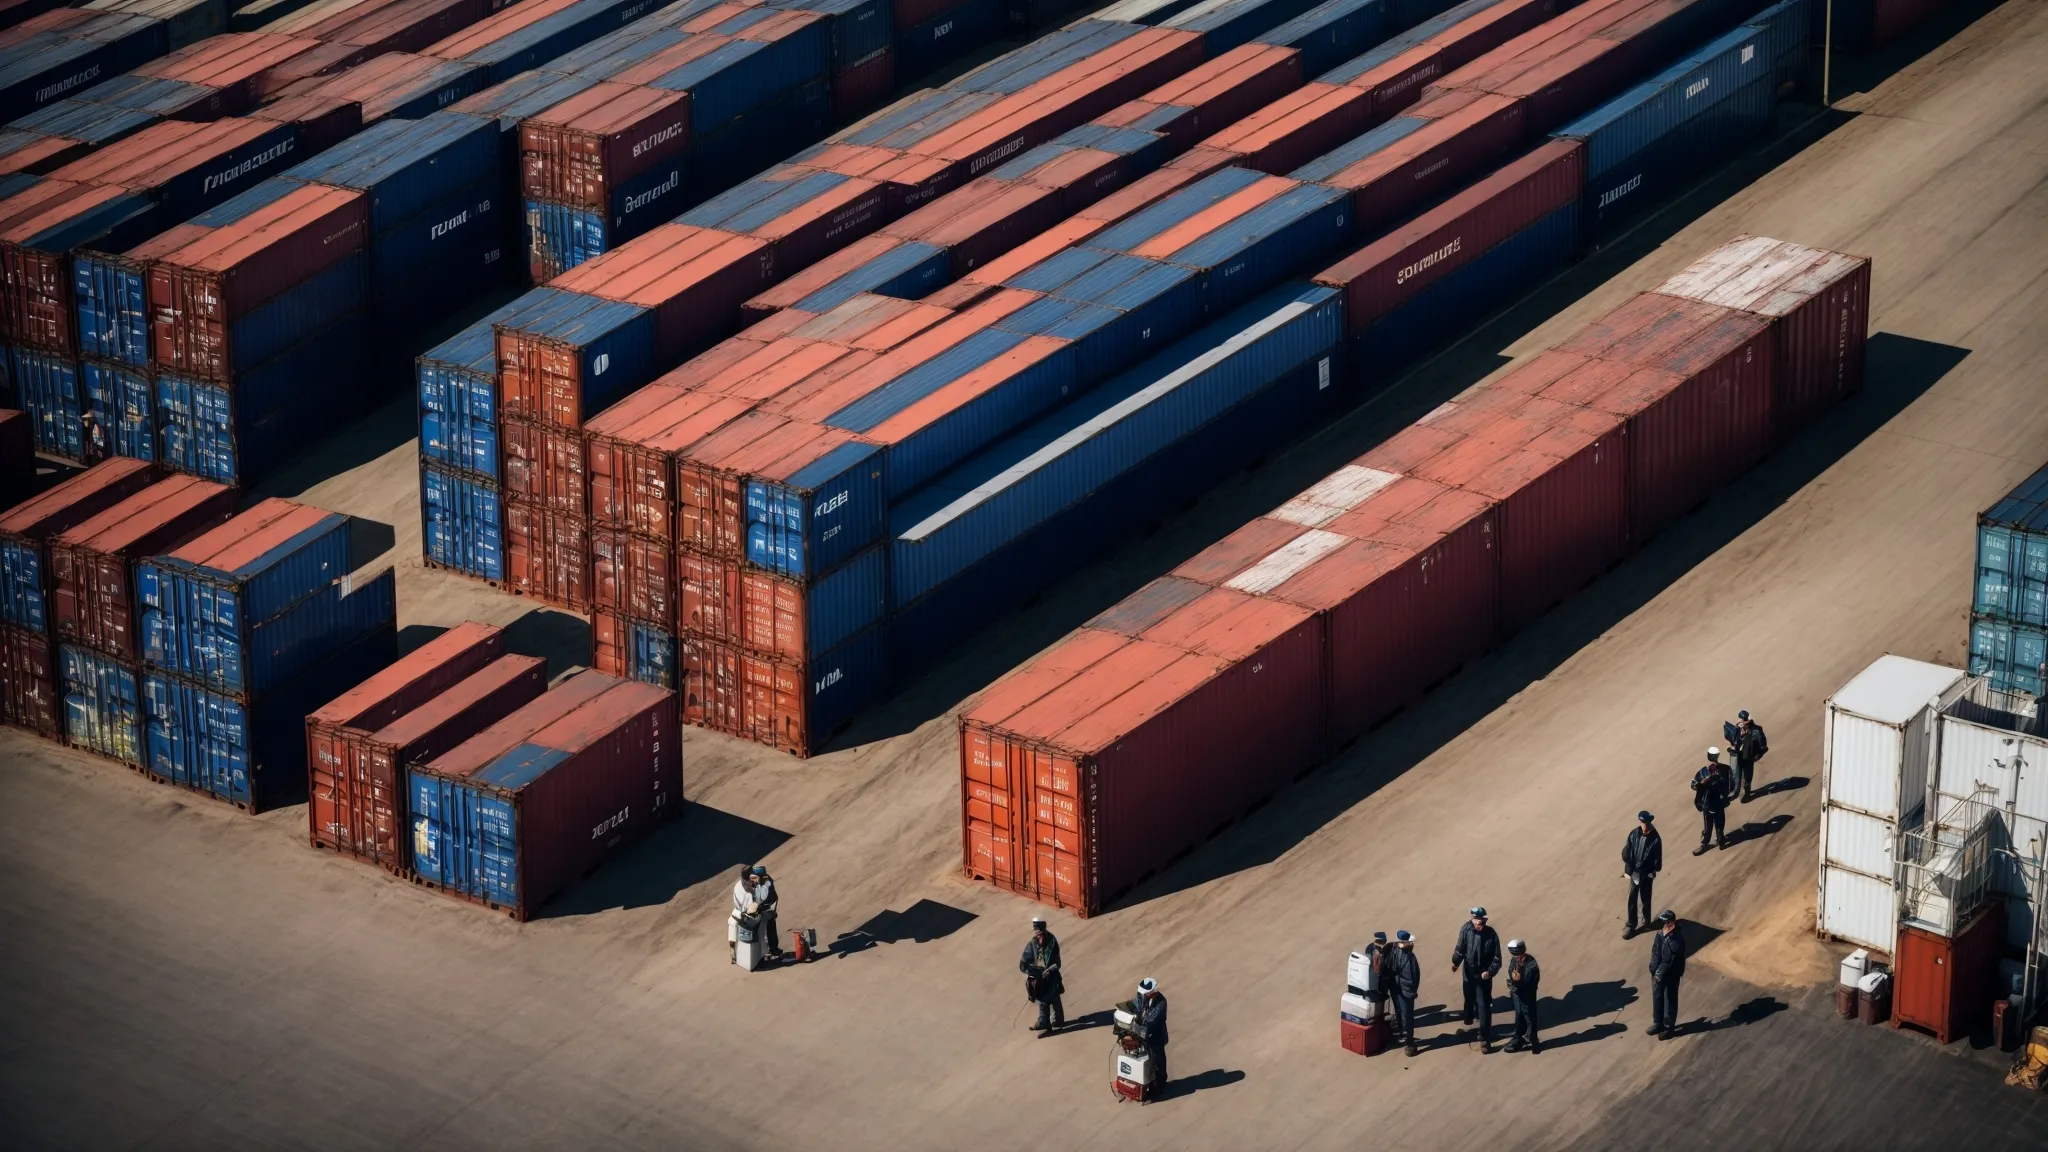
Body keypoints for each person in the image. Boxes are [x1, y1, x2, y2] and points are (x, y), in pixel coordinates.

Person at [1451, 907, 1503, 1054]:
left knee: (1484, 1005)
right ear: (1472, 920)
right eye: (1476, 922)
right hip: (1468, 972)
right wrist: (1455, 962)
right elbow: (1460, 948)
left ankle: (1485, 1040)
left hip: (1483, 975)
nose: (1479, 925)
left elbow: (1497, 958)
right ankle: (1469, 1018)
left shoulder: (1491, 935)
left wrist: (1490, 972)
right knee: (1468, 996)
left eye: (1481, 922)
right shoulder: (1466, 929)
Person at [1020, 916, 1064, 1034]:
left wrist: (1049, 970)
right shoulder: (1033, 944)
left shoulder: (1052, 942)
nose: (1039, 937)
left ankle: (1050, 1021)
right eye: (1037, 934)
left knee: (1050, 997)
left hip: (1051, 975)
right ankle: (1052, 1020)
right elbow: (1024, 962)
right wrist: (1030, 971)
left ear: (1044, 931)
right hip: (1039, 976)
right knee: (1046, 997)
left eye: (1041, 934)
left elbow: (1057, 963)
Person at [1623, 811, 1663, 938]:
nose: (1645, 825)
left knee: (1646, 896)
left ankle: (1646, 920)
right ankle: (1632, 924)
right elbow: (1626, 852)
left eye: (1647, 823)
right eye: (1643, 823)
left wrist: (1654, 870)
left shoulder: (1655, 838)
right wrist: (1629, 869)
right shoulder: (1634, 834)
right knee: (1633, 897)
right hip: (1635, 872)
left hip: (1647, 872)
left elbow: (1657, 857)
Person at [1649, 910, 1686, 1038]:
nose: (1663, 924)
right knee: (1657, 996)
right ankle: (1658, 1022)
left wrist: (1659, 973)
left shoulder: (1676, 939)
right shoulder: (1660, 934)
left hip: (1671, 973)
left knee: (1669, 998)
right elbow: (1655, 951)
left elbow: (1670, 960)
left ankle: (1668, 1027)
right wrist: (1653, 968)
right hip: (1658, 972)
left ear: (1671, 922)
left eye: (1665, 922)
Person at [1691, 748, 1734, 855]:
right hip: (1717, 802)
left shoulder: (1703, 771)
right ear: (1717, 755)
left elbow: (1693, 785)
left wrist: (1702, 783)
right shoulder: (1726, 769)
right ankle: (1721, 841)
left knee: (1708, 824)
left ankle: (1706, 844)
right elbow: (1731, 785)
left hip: (1709, 802)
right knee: (1719, 822)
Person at [1387, 931, 1421, 1056]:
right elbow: (1414, 976)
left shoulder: (1394, 951)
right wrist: (1413, 991)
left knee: (1401, 1013)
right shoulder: (1409, 957)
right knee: (1407, 1017)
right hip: (1405, 991)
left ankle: (1403, 1036)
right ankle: (1409, 1044)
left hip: (1396, 989)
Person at [1504, 940, 1541, 1054]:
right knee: (1519, 1015)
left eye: (1518, 955)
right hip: (1517, 994)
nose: (1517, 958)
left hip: (1527, 995)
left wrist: (1516, 985)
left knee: (1529, 1017)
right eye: (1514, 955)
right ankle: (1518, 1038)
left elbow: (1527, 982)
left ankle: (1532, 1040)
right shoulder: (1514, 961)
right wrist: (1512, 985)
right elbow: (1511, 972)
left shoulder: (1531, 965)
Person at [1134, 978, 1169, 1086]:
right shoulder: (1142, 996)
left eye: (1145, 994)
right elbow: (1137, 1006)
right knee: (1143, 1058)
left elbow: (1152, 1021)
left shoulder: (1161, 1002)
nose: (1143, 996)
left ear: (1152, 993)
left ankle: (1160, 1083)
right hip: (1143, 1032)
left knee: (1158, 1060)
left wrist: (1140, 1028)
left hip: (1156, 1035)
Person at [1728, 710, 1769, 803]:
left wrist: (1757, 756)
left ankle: (1745, 795)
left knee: (1747, 777)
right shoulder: (1738, 729)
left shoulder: (1756, 731)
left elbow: (1763, 745)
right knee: (1736, 775)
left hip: (1749, 757)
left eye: (1742, 722)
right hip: (1738, 756)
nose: (1740, 723)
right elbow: (1733, 740)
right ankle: (1735, 792)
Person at [750, 865, 781, 960]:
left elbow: (762, 897)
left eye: (755, 876)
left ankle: (770, 950)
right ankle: (770, 949)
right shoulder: (761, 881)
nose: (754, 878)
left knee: (767, 930)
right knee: (768, 930)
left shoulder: (766, 883)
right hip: (766, 909)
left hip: (767, 910)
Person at [727, 867, 758, 965]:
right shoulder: (738, 887)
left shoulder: (755, 883)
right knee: (732, 923)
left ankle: (765, 948)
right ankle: (733, 953)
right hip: (741, 913)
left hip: (754, 913)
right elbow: (740, 905)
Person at [1361, 932, 1390, 1022]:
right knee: (1379, 1000)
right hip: (1378, 981)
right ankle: (1379, 1019)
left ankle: (1376, 1018)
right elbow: (1378, 970)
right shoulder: (1378, 952)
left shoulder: (1369, 947)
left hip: (1369, 979)